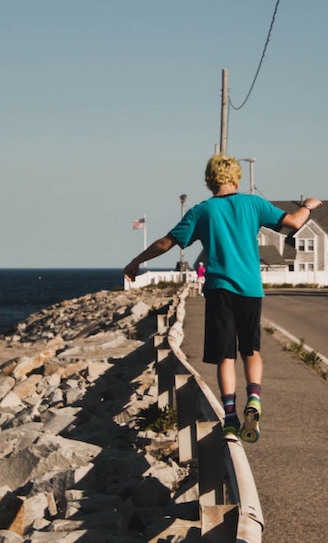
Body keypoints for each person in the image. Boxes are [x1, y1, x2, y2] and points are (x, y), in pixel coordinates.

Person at [123, 155, 316, 441]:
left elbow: (167, 242)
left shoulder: (202, 211)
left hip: (218, 290)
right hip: (250, 289)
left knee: (225, 356)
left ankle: (229, 416)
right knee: (251, 350)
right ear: (236, 178)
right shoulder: (254, 204)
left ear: (209, 181)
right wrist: (308, 206)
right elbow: (295, 222)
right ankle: (254, 399)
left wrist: (136, 261)